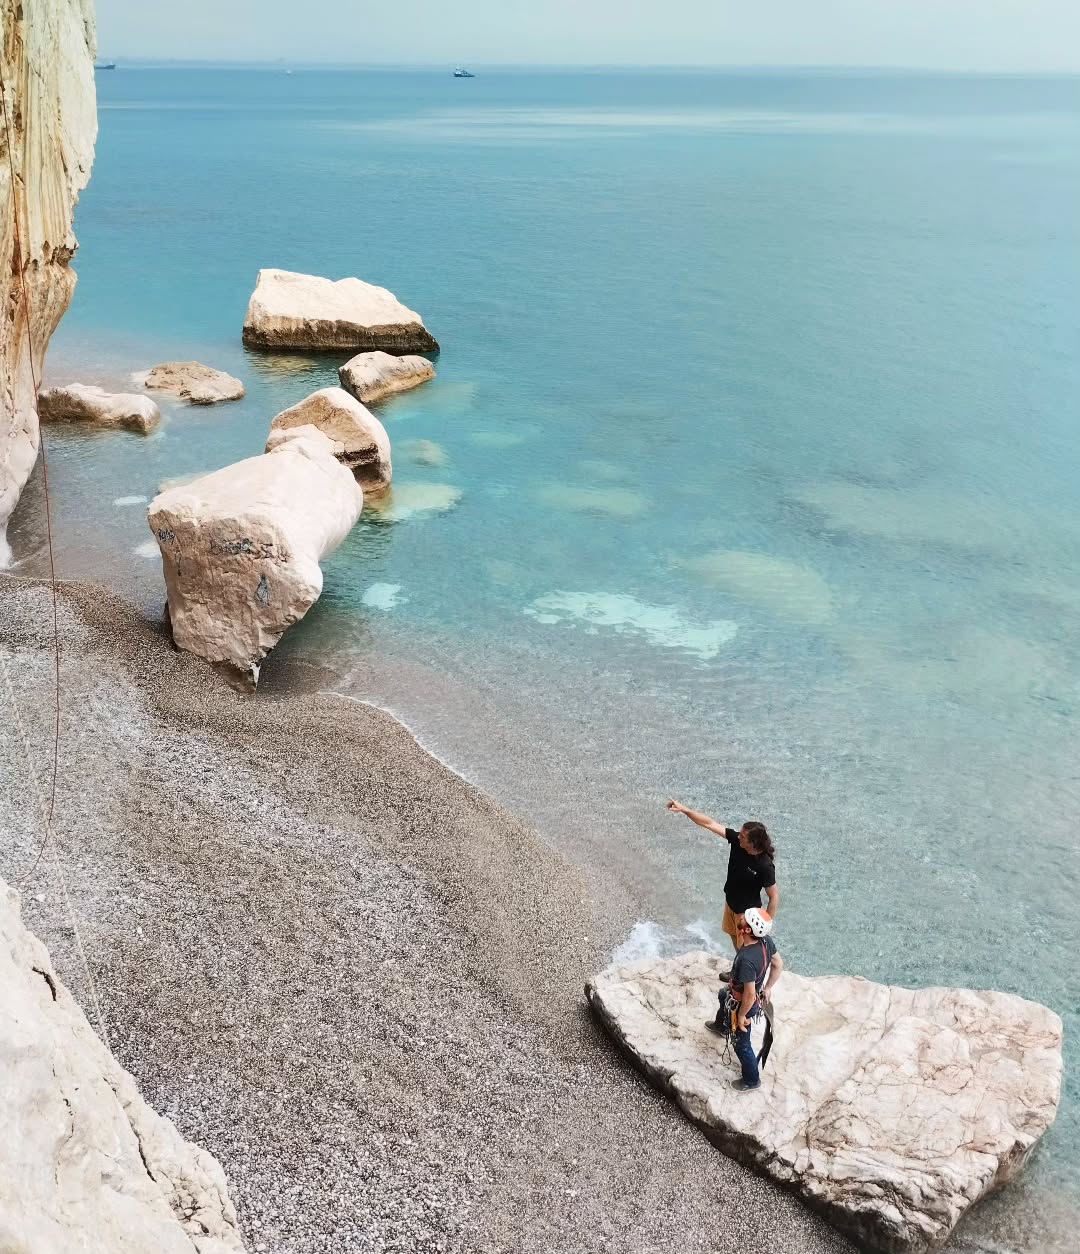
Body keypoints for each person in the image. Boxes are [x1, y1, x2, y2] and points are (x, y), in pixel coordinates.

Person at [666, 799, 778, 949]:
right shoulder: (738, 843)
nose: (739, 836)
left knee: (748, 950)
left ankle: (743, 970)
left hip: (746, 915)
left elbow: (774, 896)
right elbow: (709, 823)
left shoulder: (765, 865)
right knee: (733, 938)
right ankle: (737, 969)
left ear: (753, 843)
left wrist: (765, 923)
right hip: (730, 904)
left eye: (743, 837)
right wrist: (685, 810)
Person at [710, 907, 783, 1091]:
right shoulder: (765, 941)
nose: (741, 917)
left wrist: (741, 1016)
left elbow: (749, 995)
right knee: (722, 995)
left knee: (741, 1044)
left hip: (744, 1002)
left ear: (748, 930)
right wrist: (767, 988)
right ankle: (722, 1026)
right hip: (744, 994)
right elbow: (777, 964)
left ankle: (751, 1080)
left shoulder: (746, 960)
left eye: (746, 918)